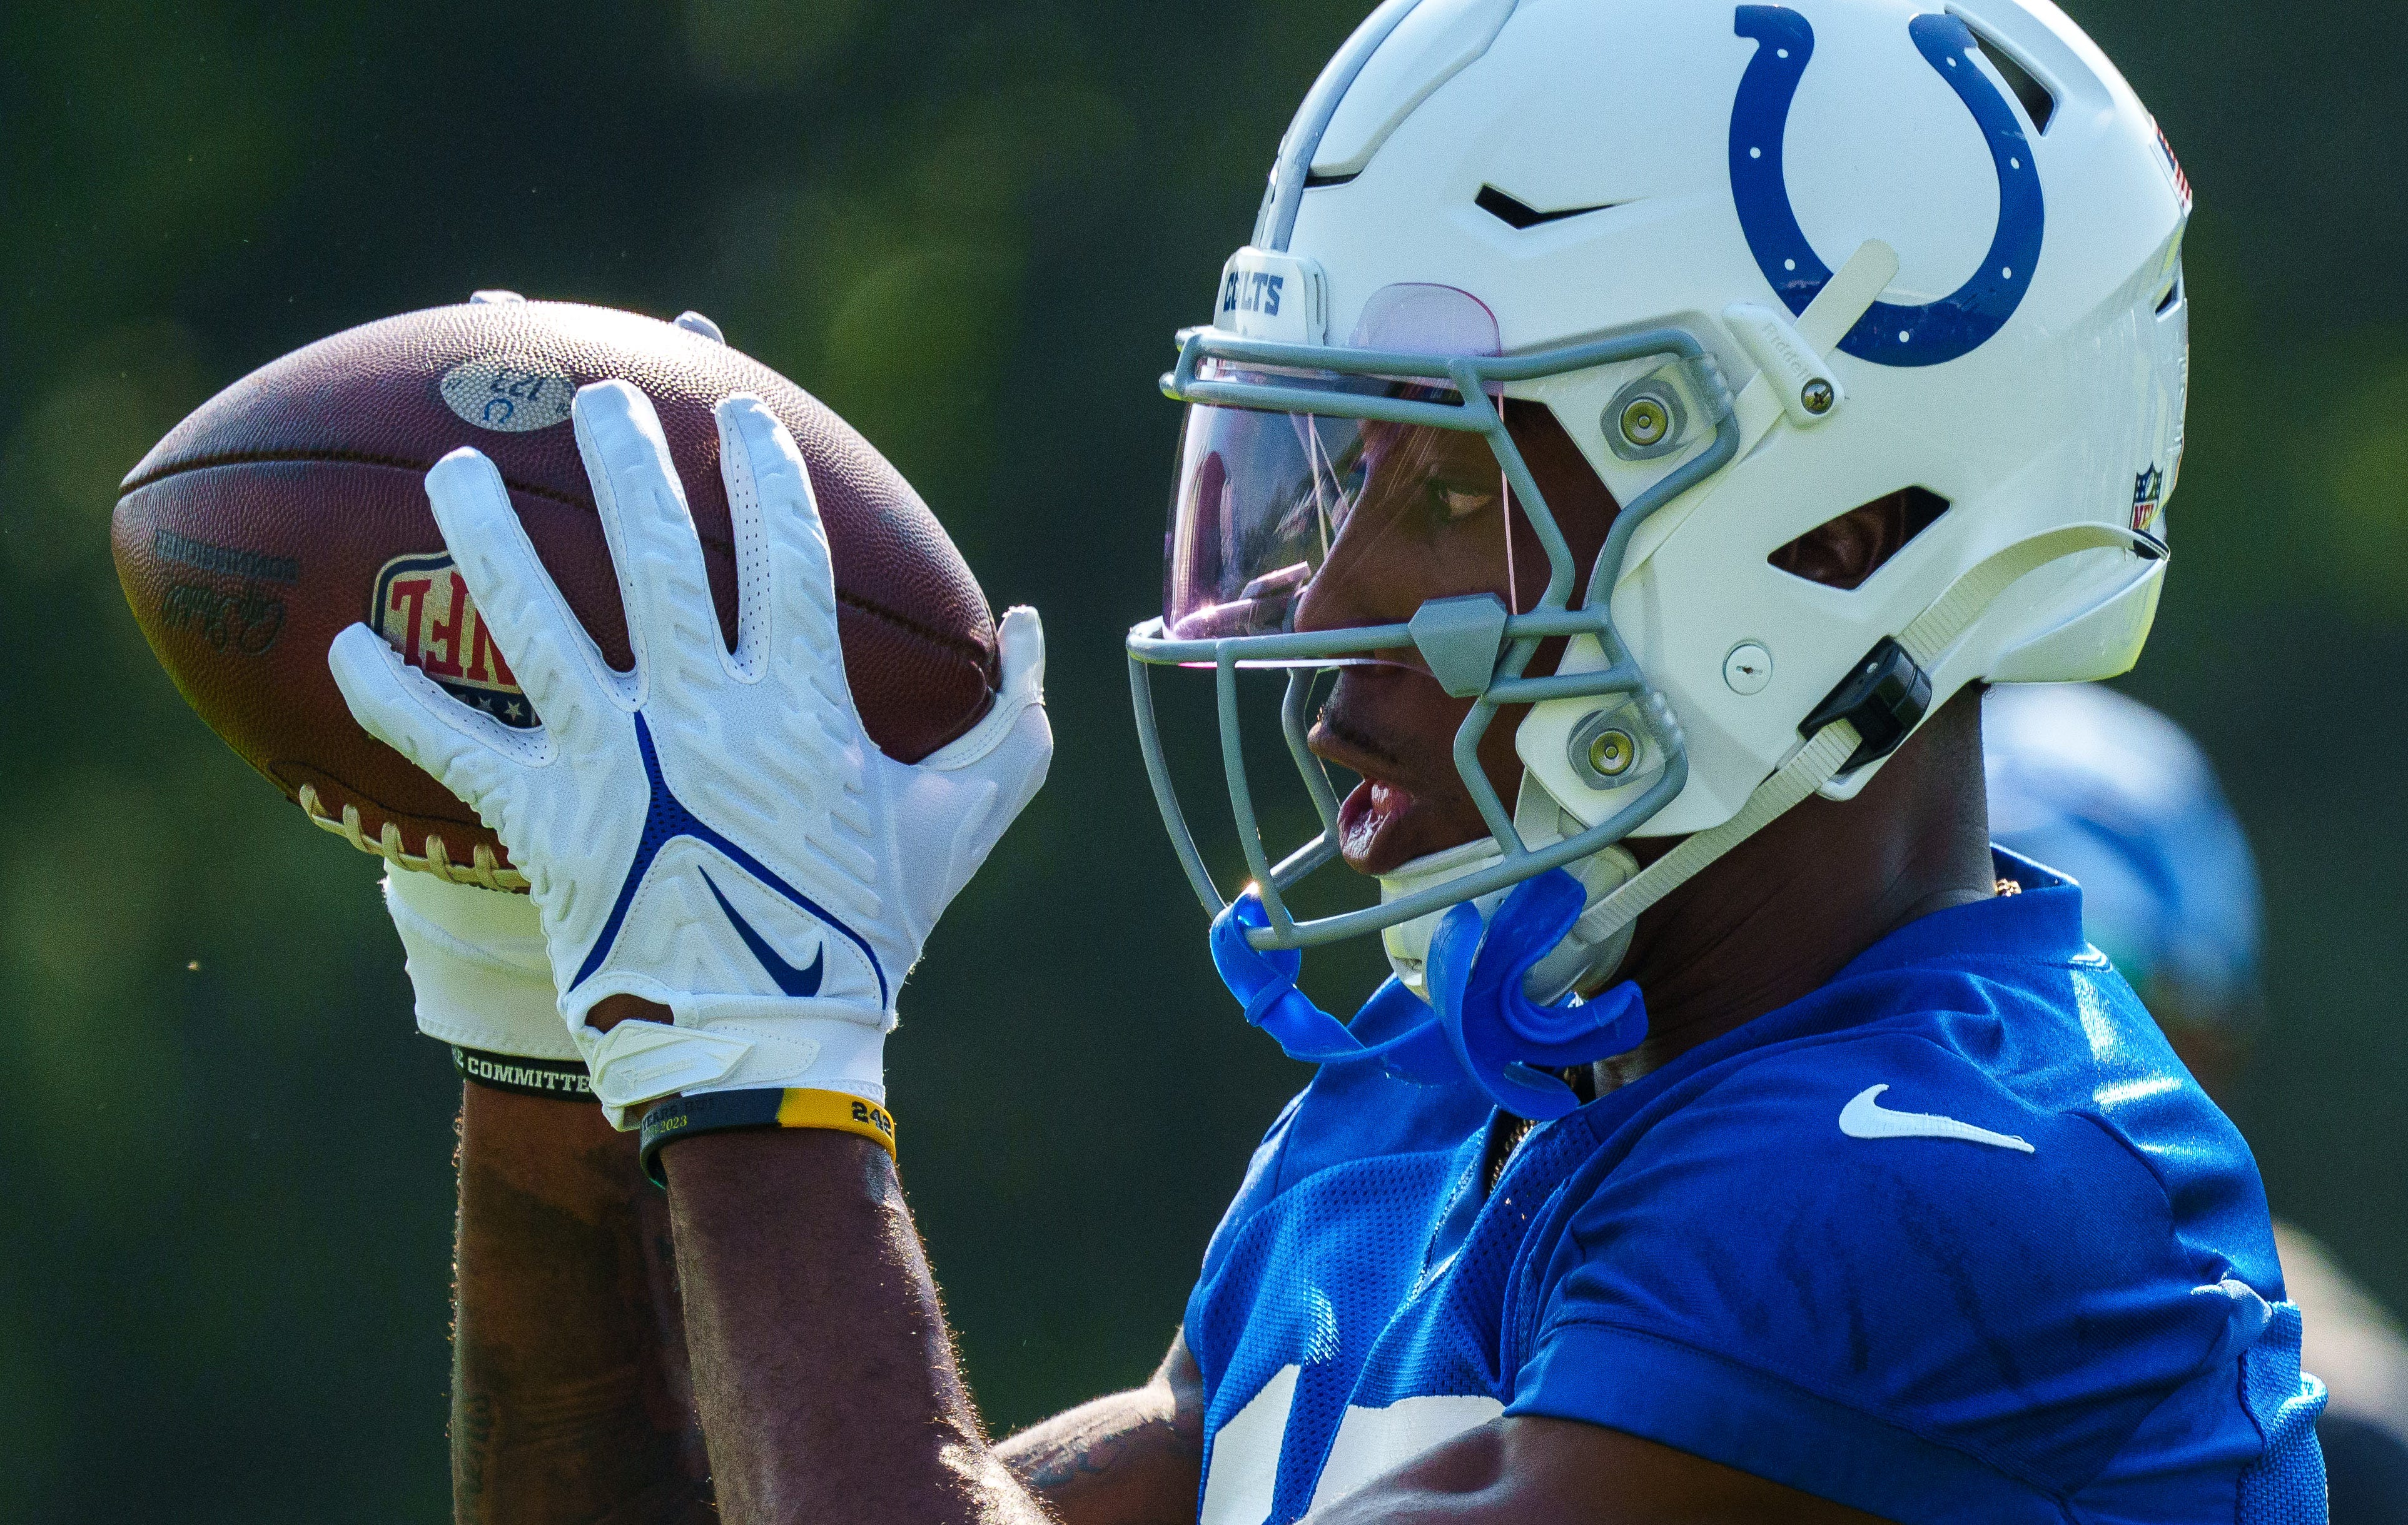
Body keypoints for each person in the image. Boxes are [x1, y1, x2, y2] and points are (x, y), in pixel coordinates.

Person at [335, 1, 2329, 1521]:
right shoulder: (1438, 1116)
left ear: (1841, 540)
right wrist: (552, 1041)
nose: (1322, 608)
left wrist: (759, 1075)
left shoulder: (1939, 1196)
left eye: (1452, 486)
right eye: (1332, 465)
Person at [1986, 680, 2408, 1523]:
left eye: (2111, 994)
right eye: (1985, 990)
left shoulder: (2336, 1431)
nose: (2018, 1054)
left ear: (2212, 1045)